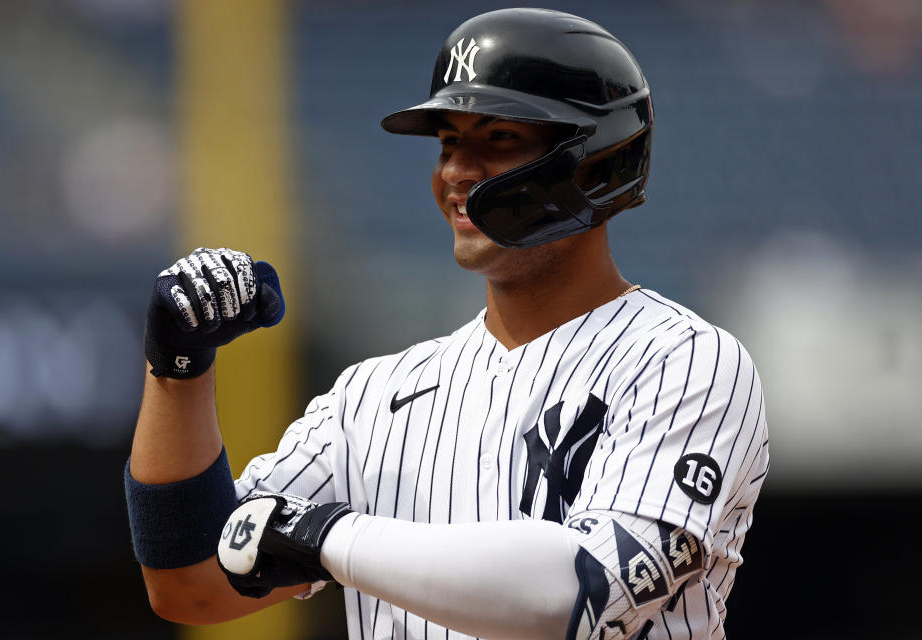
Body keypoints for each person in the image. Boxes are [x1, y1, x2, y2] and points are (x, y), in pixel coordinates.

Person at [125, 8, 768, 640]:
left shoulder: (686, 361)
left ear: (594, 162)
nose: (457, 173)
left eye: (500, 140)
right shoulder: (370, 397)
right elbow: (194, 584)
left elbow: (578, 596)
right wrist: (176, 371)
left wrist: (327, 536)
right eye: (449, 143)